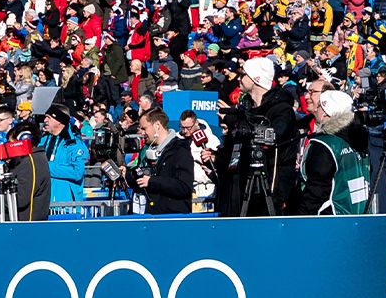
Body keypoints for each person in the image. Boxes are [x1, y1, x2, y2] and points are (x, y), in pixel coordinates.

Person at [213, 56, 300, 217]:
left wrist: (234, 121)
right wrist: (216, 157)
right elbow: (236, 144)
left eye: (243, 75)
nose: (238, 79)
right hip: (240, 183)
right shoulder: (245, 108)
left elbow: (272, 137)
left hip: (268, 185)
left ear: (256, 78)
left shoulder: (282, 109)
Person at [296, 89, 373, 214]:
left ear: (326, 113)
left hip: (331, 218)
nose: (316, 109)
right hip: (361, 215)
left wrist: (302, 218)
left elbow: (316, 190)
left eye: (319, 106)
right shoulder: (360, 138)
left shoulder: (324, 143)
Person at [135, 108, 195, 215]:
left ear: (157, 126)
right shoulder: (147, 150)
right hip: (152, 215)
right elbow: (142, 179)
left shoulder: (180, 150)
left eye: (144, 128)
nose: (142, 133)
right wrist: (128, 175)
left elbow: (184, 186)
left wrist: (152, 182)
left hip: (172, 217)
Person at [36, 108, 90, 206]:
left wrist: (46, 166)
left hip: (66, 206)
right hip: (44, 202)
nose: (45, 120)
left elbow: (77, 172)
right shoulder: (42, 141)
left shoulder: (74, 144)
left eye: (49, 117)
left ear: (60, 121)